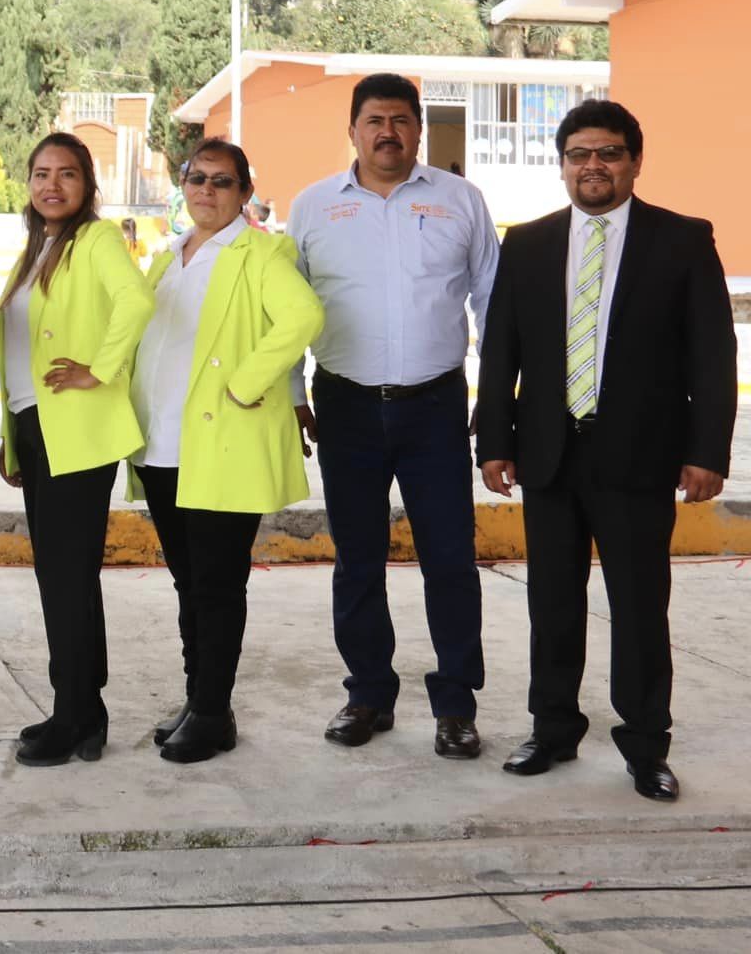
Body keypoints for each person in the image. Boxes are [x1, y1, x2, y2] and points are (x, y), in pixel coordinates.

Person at [478, 100, 736, 803]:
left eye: (609, 153)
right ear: (562, 165)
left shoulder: (681, 240)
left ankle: (647, 745)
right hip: (549, 456)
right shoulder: (527, 243)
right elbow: (501, 349)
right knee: (553, 604)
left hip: (640, 457)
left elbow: (713, 354)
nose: (593, 166)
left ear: (634, 161)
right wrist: (494, 440)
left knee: (640, 608)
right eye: (579, 154)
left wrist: (708, 449)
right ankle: (553, 729)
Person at [286, 73, 499, 761]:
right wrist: (293, 391)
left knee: (450, 559)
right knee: (357, 562)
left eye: (402, 120)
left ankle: (456, 706)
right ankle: (368, 694)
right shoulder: (314, 206)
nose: (389, 133)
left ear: (419, 129)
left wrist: (496, 396)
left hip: (435, 407)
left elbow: (492, 305)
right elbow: (286, 308)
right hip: (344, 406)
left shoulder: (459, 200)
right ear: (352, 129)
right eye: (376, 120)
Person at [130, 138, 322, 764]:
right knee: (190, 583)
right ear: (182, 184)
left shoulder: (261, 252)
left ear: (244, 193)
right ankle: (201, 699)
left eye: (222, 182)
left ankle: (211, 711)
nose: (206, 191)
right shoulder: (165, 258)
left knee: (216, 584)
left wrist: (245, 383)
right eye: (197, 178)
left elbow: (303, 317)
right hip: (161, 446)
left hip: (222, 445)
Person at [0, 134, 154, 767]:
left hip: (78, 436)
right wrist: (12, 437)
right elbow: (16, 351)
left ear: (88, 184)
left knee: (65, 577)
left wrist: (101, 368)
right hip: (36, 430)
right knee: (65, 579)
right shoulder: (40, 249)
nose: (51, 185)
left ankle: (75, 713)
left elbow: (137, 300)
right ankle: (82, 710)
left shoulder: (96, 240)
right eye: (40, 173)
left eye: (66, 174)